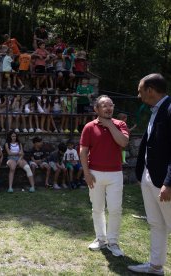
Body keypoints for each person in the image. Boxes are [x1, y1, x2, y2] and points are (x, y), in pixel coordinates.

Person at [128, 73, 171, 275]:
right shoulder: (155, 110)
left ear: (150, 90)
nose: (138, 94)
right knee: (155, 223)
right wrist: (140, 174)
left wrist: (169, 183)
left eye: (140, 90)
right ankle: (155, 266)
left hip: (164, 182)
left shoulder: (170, 110)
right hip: (149, 177)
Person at [79, 95, 129, 257]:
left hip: (115, 174)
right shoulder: (89, 127)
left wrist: (109, 124)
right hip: (94, 174)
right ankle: (100, 239)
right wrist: (86, 173)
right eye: (104, 106)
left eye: (111, 105)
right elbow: (83, 151)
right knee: (97, 208)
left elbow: (123, 142)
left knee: (115, 209)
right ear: (96, 109)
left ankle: (113, 241)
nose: (108, 108)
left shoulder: (120, 124)